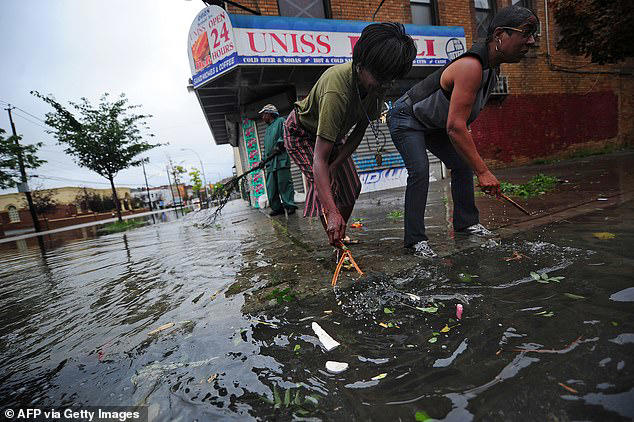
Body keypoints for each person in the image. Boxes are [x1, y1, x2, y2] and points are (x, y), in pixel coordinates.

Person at [387, 5, 539, 258]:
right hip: (407, 117)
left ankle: (467, 223)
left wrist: (475, 164)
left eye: (533, 34)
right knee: (420, 171)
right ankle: (415, 241)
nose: (531, 41)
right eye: (526, 33)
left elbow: (458, 123)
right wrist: (484, 171)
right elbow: (455, 126)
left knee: (461, 164)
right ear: (500, 35)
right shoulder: (471, 66)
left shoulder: (491, 68)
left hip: (433, 123)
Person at [284, 22, 417, 250]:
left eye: (389, 79)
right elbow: (319, 160)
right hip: (302, 132)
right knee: (329, 189)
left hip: (335, 135)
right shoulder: (337, 89)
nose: (384, 85)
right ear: (361, 64)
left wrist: (335, 165)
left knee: (352, 185)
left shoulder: (378, 86)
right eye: (380, 78)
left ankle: (339, 233)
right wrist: (331, 209)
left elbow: (359, 131)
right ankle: (335, 235)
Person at [258, 104, 298, 216]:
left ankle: (290, 206)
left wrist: (280, 144)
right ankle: (277, 208)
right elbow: (266, 148)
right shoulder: (267, 130)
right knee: (271, 188)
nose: (262, 118)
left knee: (284, 184)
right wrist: (262, 160)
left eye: (263, 115)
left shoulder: (281, 121)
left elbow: (286, 134)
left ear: (269, 114)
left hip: (281, 160)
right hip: (270, 163)